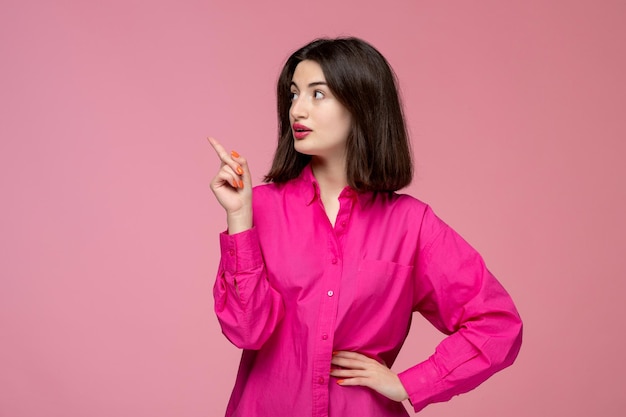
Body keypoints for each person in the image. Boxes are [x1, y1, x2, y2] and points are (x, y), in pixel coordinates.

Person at [207, 37, 522, 417]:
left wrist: (410, 383)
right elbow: (247, 332)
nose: (297, 110)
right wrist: (239, 219)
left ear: (361, 105)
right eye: (293, 95)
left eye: (317, 94)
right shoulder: (261, 207)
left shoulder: (410, 224)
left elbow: (496, 324)